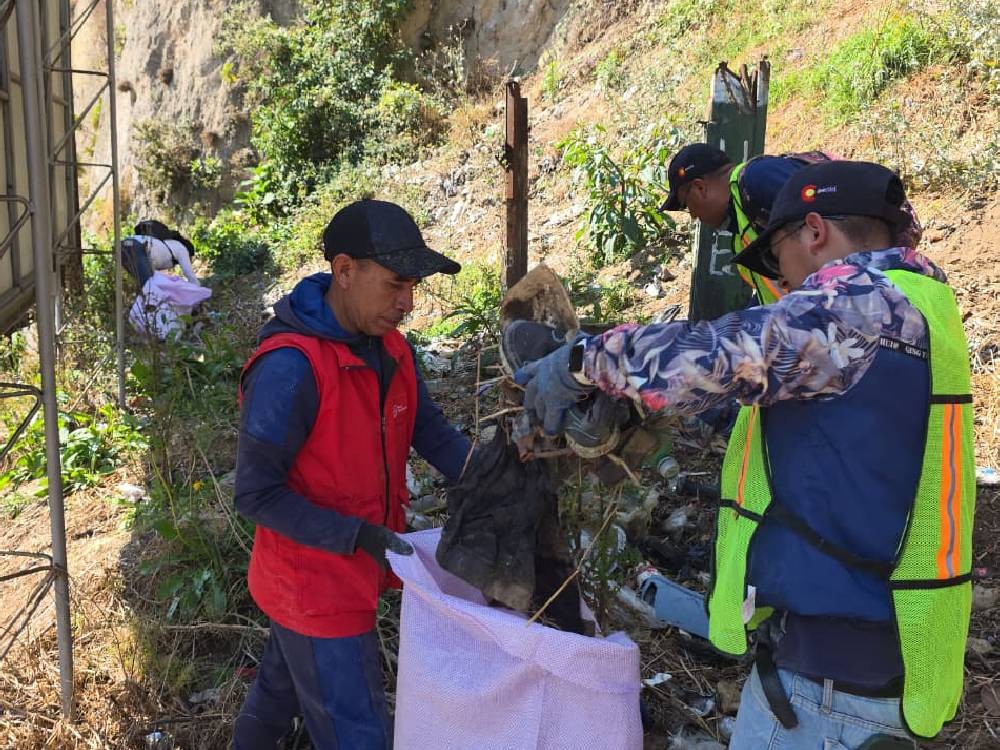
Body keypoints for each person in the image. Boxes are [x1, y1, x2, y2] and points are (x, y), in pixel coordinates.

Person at [516, 161, 974, 747]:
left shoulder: (859, 308)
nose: (780, 283)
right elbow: (842, 432)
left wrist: (583, 361)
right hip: (863, 669)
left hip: (826, 695)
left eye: (775, 257)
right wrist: (701, 410)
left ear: (813, 232)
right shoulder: (919, 305)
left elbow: (715, 350)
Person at [231, 199, 471, 750]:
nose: (408, 303)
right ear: (344, 271)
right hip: (314, 585)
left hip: (352, 572)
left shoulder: (390, 349)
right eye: (394, 285)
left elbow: (426, 428)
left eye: (413, 287)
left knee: (280, 690)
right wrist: (354, 535)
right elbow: (255, 492)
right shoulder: (292, 368)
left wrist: (482, 475)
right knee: (356, 730)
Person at [660, 143, 922, 304]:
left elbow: (834, 224)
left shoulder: (756, 178)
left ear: (699, 188)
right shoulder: (742, 227)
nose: (693, 216)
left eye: (686, 204)